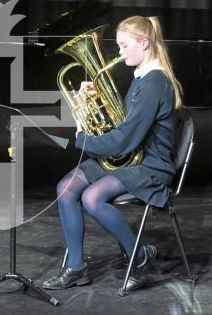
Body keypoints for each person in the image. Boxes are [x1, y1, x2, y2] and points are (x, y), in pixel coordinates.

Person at [42, 15, 183, 291]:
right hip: (130, 158)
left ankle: (140, 256)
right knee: (66, 188)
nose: (119, 52)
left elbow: (123, 140)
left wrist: (81, 141)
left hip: (150, 165)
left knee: (92, 198)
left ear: (144, 43)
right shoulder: (143, 76)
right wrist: (93, 100)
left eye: (123, 45)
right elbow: (126, 125)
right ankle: (77, 268)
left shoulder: (154, 83)